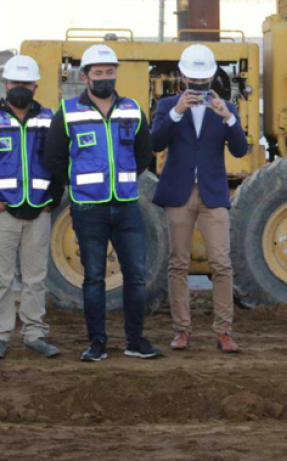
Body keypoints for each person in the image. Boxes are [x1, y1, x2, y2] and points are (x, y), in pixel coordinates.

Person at [44, 44, 163, 362]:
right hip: (88, 209)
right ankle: (97, 343)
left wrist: (120, 178)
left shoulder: (132, 110)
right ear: (85, 77)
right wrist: (77, 183)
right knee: (94, 277)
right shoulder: (68, 112)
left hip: (126, 206)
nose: (105, 77)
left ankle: (135, 341)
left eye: (110, 71)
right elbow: (54, 157)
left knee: (136, 275)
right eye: (98, 72)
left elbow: (143, 154)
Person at [151, 45, 249, 353]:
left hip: (213, 193)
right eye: (193, 81)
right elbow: (155, 142)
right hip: (179, 193)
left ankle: (224, 331)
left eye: (203, 82)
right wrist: (178, 112)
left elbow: (240, 150)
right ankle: (181, 330)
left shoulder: (226, 108)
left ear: (212, 79)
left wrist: (228, 119)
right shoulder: (167, 105)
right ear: (182, 77)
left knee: (221, 263)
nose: (197, 88)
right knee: (178, 263)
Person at [0, 55, 63, 360]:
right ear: (5, 84)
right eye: (15, 82)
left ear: (36, 85)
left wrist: (52, 200)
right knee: (2, 278)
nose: (20, 87)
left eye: (25, 83)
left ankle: (34, 334)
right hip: (3, 212)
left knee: (36, 278)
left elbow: (61, 162)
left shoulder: (51, 118)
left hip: (39, 211)